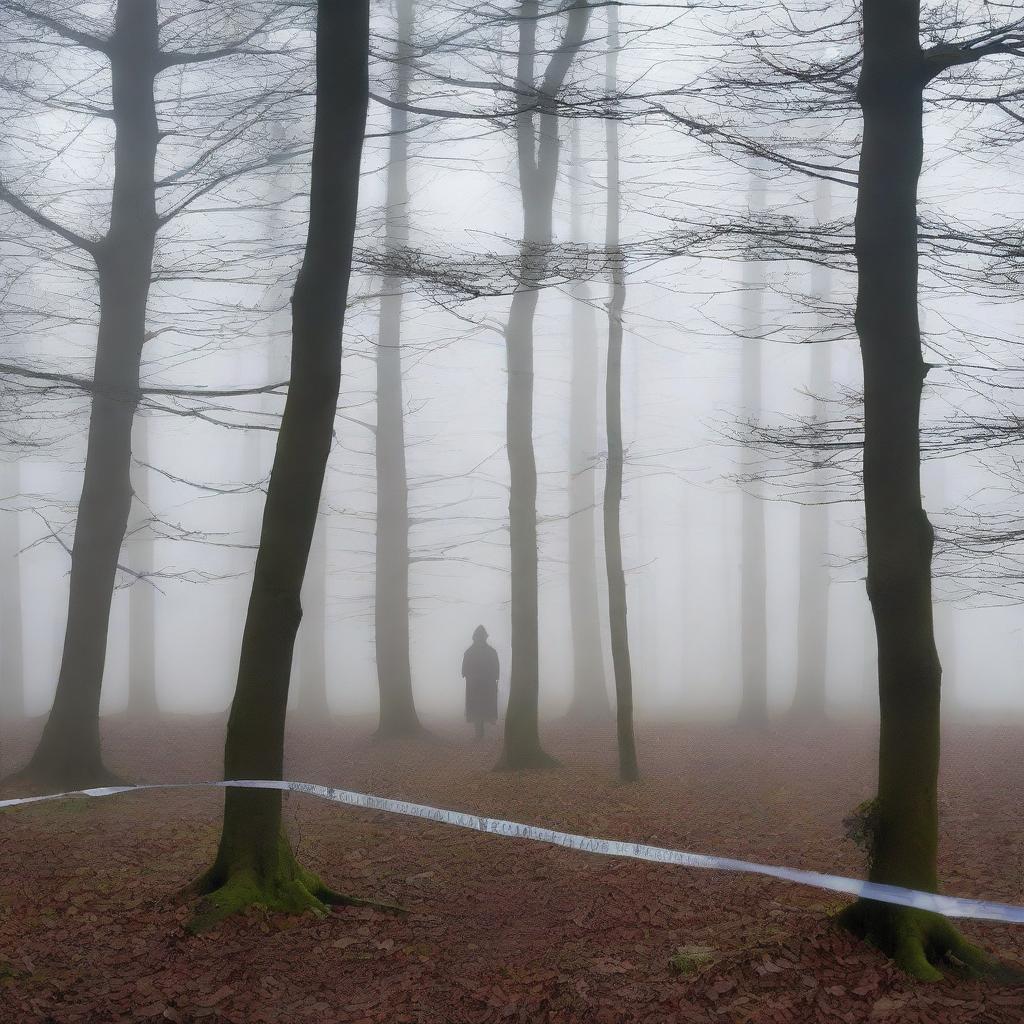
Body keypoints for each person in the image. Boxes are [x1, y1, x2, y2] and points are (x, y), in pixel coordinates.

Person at [462, 625, 499, 740]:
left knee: (477, 707)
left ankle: (479, 731)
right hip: (486, 684)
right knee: (483, 706)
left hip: (475, 685)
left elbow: (464, 671)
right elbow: (496, 669)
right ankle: (480, 730)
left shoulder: (469, 652)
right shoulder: (491, 651)